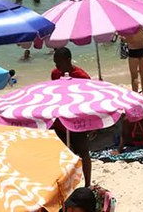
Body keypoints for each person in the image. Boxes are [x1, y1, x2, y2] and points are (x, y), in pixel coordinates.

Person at [50, 48, 92, 187]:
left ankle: (87, 184)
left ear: (68, 60)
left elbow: (88, 99)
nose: (56, 66)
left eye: (59, 63)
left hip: (76, 120)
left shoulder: (81, 76)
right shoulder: (55, 74)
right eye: (55, 63)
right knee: (62, 153)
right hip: (60, 121)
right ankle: (66, 183)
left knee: (83, 151)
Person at [124, 28, 143, 94]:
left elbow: (129, 40)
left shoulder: (130, 26)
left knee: (134, 76)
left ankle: (135, 94)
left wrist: (123, 39)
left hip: (133, 50)